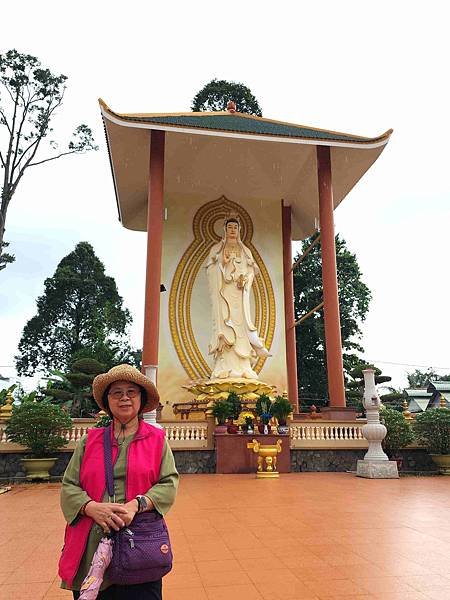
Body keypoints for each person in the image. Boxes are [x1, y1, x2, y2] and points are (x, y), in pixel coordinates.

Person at [59, 364, 179, 599]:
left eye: (131, 392)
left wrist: (136, 505)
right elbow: (69, 485)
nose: (124, 398)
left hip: (139, 544)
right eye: (117, 392)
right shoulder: (89, 441)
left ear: (141, 399)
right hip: (92, 543)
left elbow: (169, 482)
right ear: (108, 401)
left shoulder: (156, 440)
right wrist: (91, 507)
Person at [206, 214, 270, 379]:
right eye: (229, 227)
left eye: (235, 227)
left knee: (241, 327)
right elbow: (210, 270)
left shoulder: (245, 251)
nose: (232, 230)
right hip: (224, 294)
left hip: (240, 295)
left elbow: (251, 271)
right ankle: (223, 366)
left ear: (239, 230)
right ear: (224, 230)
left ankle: (244, 366)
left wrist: (246, 279)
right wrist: (223, 263)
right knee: (226, 328)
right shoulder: (217, 250)